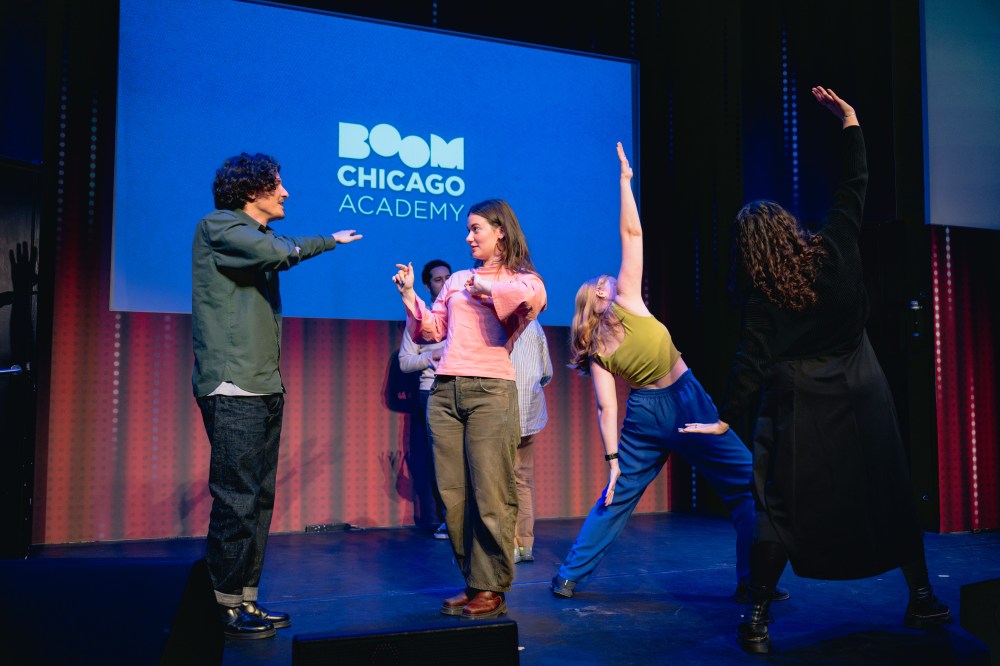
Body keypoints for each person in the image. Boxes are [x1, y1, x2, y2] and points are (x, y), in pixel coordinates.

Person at [680, 87, 951, 654]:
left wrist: (726, 418)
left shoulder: (763, 297)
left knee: (781, 508)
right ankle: (923, 597)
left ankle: (757, 620)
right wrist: (850, 121)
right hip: (863, 389)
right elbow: (854, 185)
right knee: (889, 492)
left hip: (798, 403)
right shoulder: (837, 248)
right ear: (789, 227)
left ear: (749, 251)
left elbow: (750, 361)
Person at [550, 143, 760, 604]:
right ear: (600, 295)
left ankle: (567, 578)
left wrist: (613, 462)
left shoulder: (594, 347)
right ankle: (752, 582)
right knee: (748, 485)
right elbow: (633, 233)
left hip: (645, 415)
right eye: (604, 281)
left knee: (617, 497)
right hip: (685, 402)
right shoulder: (625, 300)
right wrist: (625, 182)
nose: (612, 278)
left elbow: (607, 407)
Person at [192, 152, 361, 639]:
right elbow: (276, 253)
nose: (286, 193)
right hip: (234, 385)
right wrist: (328, 240)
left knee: (259, 499)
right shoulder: (220, 226)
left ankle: (244, 598)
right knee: (237, 499)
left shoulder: (255, 236)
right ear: (251, 191)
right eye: (277, 184)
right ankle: (220, 605)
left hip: (264, 385)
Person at [392, 199, 546, 619]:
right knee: (454, 495)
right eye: (468, 229)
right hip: (445, 391)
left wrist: (489, 289)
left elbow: (534, 300)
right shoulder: (458, 279)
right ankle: (475, 582)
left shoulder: (522, 280)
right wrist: (409, 295)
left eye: (476, 228)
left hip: (490, 391)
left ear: (501, 231)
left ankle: (494, 587)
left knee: (491, 493)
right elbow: (432, 331)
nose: (468, 237)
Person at [398, 259, 452, 538]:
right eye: (438, 280)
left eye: (448, 277)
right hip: (431, 391)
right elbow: (405, 362)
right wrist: (431, 357)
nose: (444, 283)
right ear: (427, 286)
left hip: (465, 387)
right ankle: (448, 520)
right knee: (441, 459)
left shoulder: (464, 312)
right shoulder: (419, 318)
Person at [509, 318, 553, 563]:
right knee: (523, 479)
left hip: (502, 409)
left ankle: (511, 546)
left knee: (501, 481)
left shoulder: (492, 320)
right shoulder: (534, 325)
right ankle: (525, 544)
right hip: (530, 411)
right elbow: (547, 372)